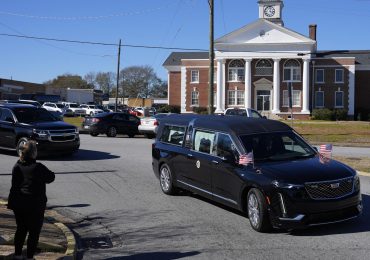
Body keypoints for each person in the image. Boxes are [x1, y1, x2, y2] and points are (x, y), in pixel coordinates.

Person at [7, 140, 55, 260]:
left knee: (21, 229)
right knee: (34, 232)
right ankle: (29, 257)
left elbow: (14, 185)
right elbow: (51, 177)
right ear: (34, 153)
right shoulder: (38, 167)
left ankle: (18, 255)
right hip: (35, 205)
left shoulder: (17, 166)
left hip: (19, 204)